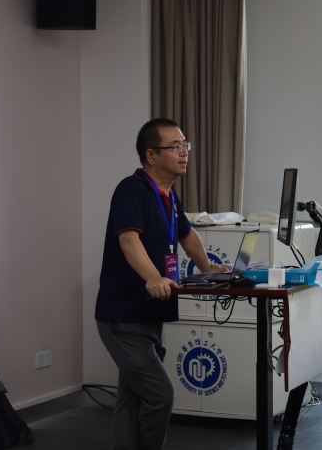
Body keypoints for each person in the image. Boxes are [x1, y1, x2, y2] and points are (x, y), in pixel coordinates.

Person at [95, 118, 231, 450]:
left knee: (132, 398)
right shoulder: (131, 190)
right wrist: (153, 277)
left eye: (186, 145)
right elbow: (128, 240)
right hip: (124, 316)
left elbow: (186, 234)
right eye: (176, 146)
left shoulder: (168, 194)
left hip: (151, 313)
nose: (185, 152)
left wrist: (208, 267)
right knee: (160, 394)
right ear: (152, 155)